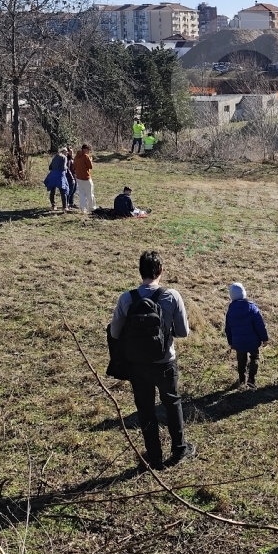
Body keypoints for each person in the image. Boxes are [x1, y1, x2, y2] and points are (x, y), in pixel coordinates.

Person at [108, 250, 195, 469]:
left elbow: (115, 333)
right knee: (172, 402)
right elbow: (184, 332)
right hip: (166, 362)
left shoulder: (126, 298)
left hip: (137, 365)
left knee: (145, 409)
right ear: (161, 271)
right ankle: (179, 450)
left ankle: (154, 456)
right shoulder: (172, 296)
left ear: (140, 272)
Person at [224, 283, 269, 388]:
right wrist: (264, 338)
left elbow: (228, 329)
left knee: (241, 360)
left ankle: (241, 379)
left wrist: (231, 342)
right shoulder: (252, 307)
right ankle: (251, 380)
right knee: (254, 358)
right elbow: (260, 325)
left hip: (238, 343)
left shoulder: (230, 311)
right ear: (244, 293)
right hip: (253, 342)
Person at [72, 144, 95, 215]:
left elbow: (73, 167)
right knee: (90, 194)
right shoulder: (86, 156)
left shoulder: (76, 157)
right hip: (86, 178)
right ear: (85, 149)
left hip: (78, 178)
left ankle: (83, 209)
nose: (88, 151)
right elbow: (90, 166)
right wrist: (90, 160)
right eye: (88, 150)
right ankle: (92, 208)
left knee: (81, 195)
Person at [64, 144, 78, 208]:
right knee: (69, 191)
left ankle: (71, 203)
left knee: (74, 190)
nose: (71, 153)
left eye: (72, 152)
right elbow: (67, 169)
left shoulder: (72, 159)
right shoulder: (66, 159)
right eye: (70, 152)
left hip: (74, 176)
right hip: (69, 177)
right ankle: (67, 204)